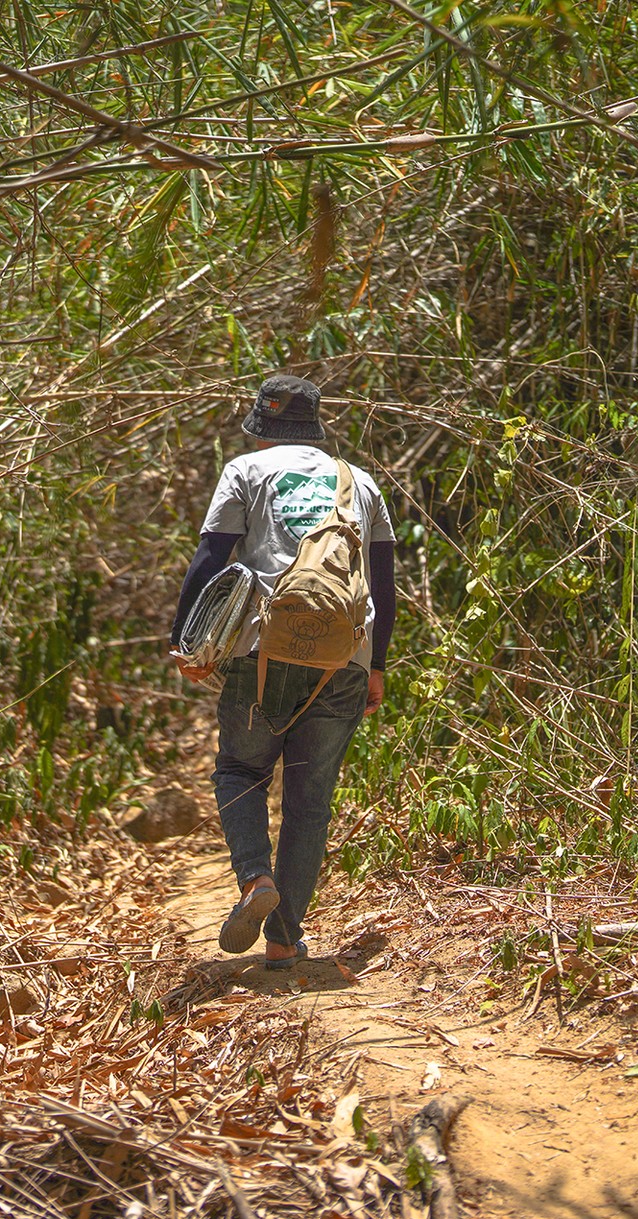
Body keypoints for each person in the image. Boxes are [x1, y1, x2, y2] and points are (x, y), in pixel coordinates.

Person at [169, 374, 397, 969]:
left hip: (260, 651)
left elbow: (210, 559)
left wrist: (186, 641)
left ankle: (253, 881)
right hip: (342, 656)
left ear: (263, 425)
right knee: (309, 801)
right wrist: (375, 666)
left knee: (240, 770)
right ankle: (283, 939)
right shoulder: (362, 483)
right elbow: (384, 584)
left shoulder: (246, 472)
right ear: (315, 426)